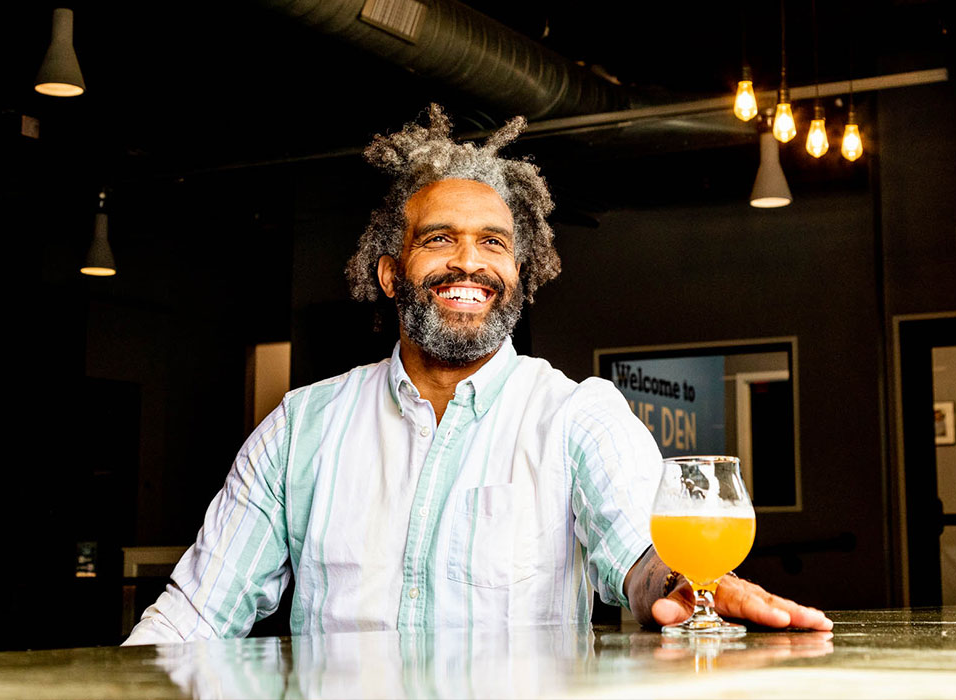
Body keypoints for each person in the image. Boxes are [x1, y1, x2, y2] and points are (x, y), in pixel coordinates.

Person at [123, 105, 831, 643]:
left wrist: (691, 586)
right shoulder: (299, 430)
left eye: (493, 243)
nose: (469, 263)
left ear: (519, 274)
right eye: (439, 239)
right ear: (391, 272)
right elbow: (193, 615)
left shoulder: (577, 415)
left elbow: (645, 558)